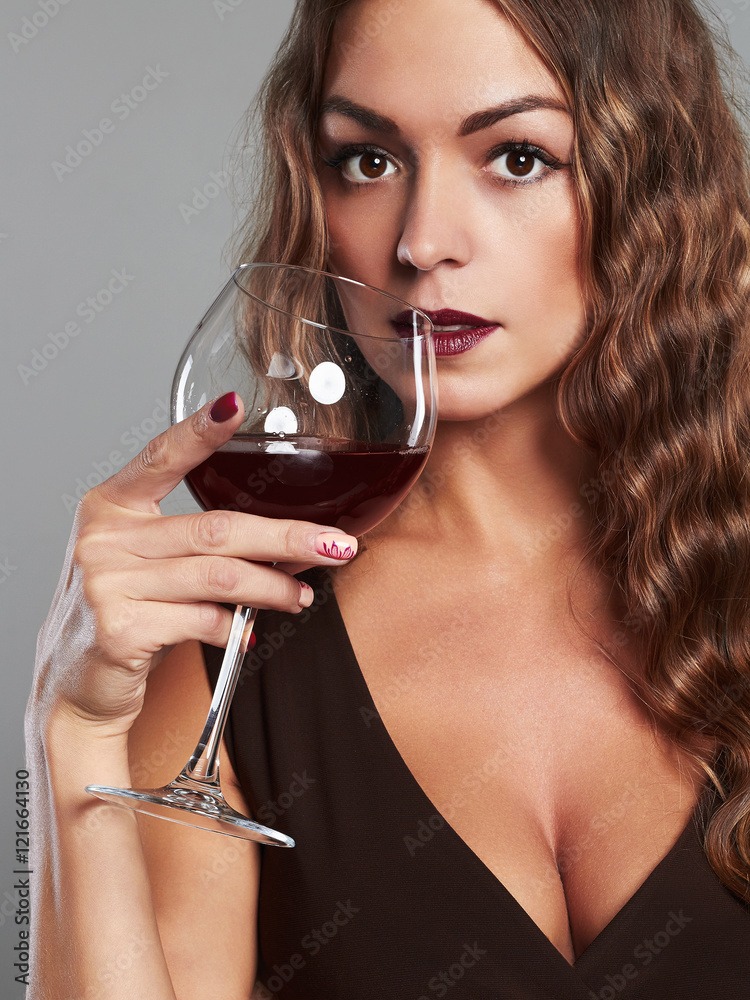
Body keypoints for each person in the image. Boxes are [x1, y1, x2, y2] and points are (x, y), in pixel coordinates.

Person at [27, 0, 750, 997]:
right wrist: (70, 738)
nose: (421, 242)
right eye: (368, 162)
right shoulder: (234, 647)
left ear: (653, 180)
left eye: (518, 157)